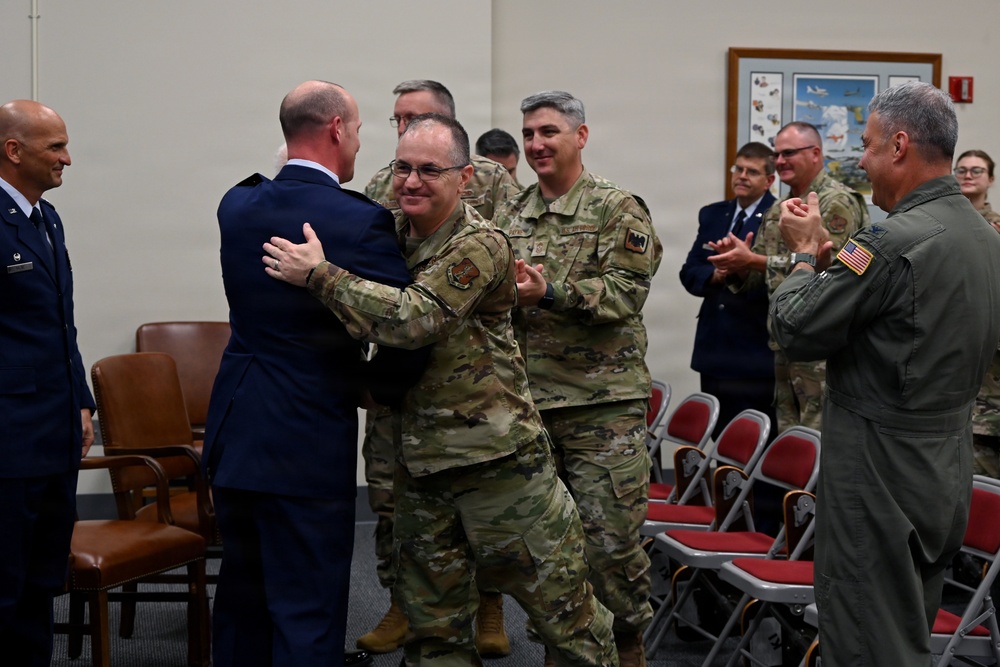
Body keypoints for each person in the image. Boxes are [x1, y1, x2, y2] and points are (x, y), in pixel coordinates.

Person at [262, 113, 618, 667]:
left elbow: (413, 319)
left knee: (567, 619)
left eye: (430, 170)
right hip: (422, 466)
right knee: (433, 630)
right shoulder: (388, 235)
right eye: (403, 167)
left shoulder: (481, 244)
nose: (411, 181)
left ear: (464, 178)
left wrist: (320, 275)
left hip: (500, 468)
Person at [770, 81, 1000, 665]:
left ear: (899, 146)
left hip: (878, 470)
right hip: (944, 463)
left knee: (866, 635)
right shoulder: (985, 238)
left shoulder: (889, 240)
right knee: (905, 628)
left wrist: (801, 257)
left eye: (868, 146)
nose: (861, 161)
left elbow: (795, 329)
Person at [202, 80, 427, 667]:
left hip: (234, 428)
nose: (357, 142)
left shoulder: (237, 203)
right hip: (303, 435)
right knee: (305, 602)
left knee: (242, 599)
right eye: (356, 130)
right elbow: (406, 329)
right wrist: (379, 390)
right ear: (335, 129)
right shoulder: (359, 223)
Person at [493, 91, 661, 667]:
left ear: (580, 137)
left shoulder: (617, 209)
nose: (536, 144)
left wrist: (551, 291)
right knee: (548, 555)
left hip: (602, 408)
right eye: (529, 135)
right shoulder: (511, 215)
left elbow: (625, 294)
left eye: (549, 132)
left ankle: (628, 647)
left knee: (610, 549)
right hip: (531, 411)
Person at [358, 79, 519, 657]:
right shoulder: (384, 180)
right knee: (390, 498)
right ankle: (401, 601)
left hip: (461, 366)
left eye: (418, 118)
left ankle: (488, 607)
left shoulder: (492, 181)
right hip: (400, 369)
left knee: (472, 510)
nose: (405, 129)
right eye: (398, 119)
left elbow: (504, 262)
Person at [0, 99, 95, 667]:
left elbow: (61, 325)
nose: (67, 158)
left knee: (42, 581)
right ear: (14, 151)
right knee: (5, 586)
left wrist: (80, 403)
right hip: (9, 439)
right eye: (55, 147)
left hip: (53, 435)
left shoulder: (45, 216)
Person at [710, 121, 869, 433]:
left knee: (821, 438)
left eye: (789, 153)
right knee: (790, 442)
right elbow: (762, 279)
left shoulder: (836, 201)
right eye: (777, 154)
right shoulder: (778, 208)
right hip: (784, 344)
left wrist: (755, 260)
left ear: (815, 154)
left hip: (823, 348)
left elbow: (839, 270)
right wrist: (738, 264)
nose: (780, 161)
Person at [679, 141, 777, 437]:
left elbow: (781, 276)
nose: (742, 176)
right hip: (715, 348)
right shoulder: (713, 214)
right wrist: (718, 275)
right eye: (739, 169)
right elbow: (690, 271)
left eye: (752, 172)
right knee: (721, 438)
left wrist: (744, 267)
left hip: (754, 350)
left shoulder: (779, 215)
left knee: (754, 439)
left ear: (769, 180)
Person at [955, 149, 1000, 231]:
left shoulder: (996, 224)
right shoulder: (939, 217)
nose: (967, 176)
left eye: (976, 171)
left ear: (991, 179)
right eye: (961, 171)